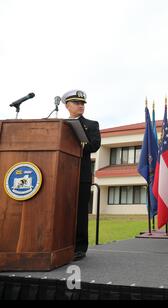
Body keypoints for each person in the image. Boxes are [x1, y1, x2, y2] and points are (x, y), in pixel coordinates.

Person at [62, 90, 101, 261]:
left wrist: (77, 141)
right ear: (67, 105)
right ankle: (60, 245)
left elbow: (94, 146)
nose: (81, 106)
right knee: (61, 210)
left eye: (82, 103)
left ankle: (79, 248)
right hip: (62, 174)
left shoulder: (92, 124)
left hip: (81, 174)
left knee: (79, 212)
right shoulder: (60, 125)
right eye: (77, 103)